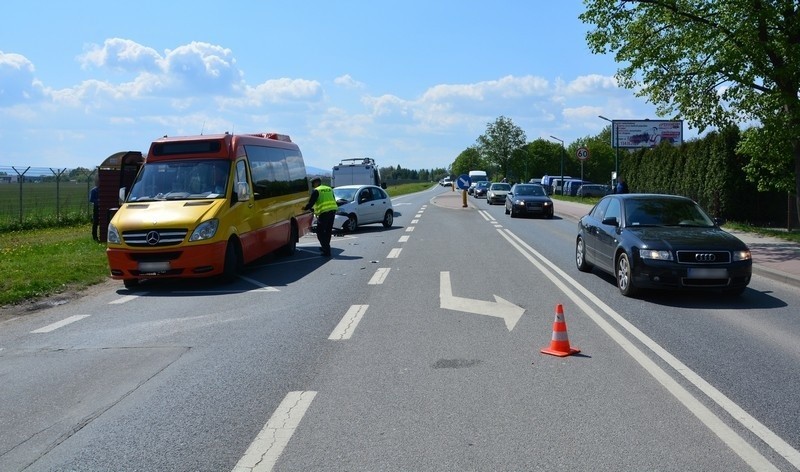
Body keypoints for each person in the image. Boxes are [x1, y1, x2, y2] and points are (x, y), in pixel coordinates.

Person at [303, 177, 337, 257]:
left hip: (324, 213)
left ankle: (327, 251)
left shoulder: (317, 190)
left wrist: (304, 208)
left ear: (316, 183)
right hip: (332, 212)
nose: (312, 185)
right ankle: (325, 247)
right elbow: (332, 199)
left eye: (312, 184)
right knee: (328, 232)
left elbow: (311, 203)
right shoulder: (329, 189)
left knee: (320, 233)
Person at [89, 177, 100, 241]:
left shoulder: (102, 190)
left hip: (102, 207)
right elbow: (91, 200)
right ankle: (94, 236)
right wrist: (97, 201)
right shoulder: (94, 190)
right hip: (96, 207)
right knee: (95, 222)